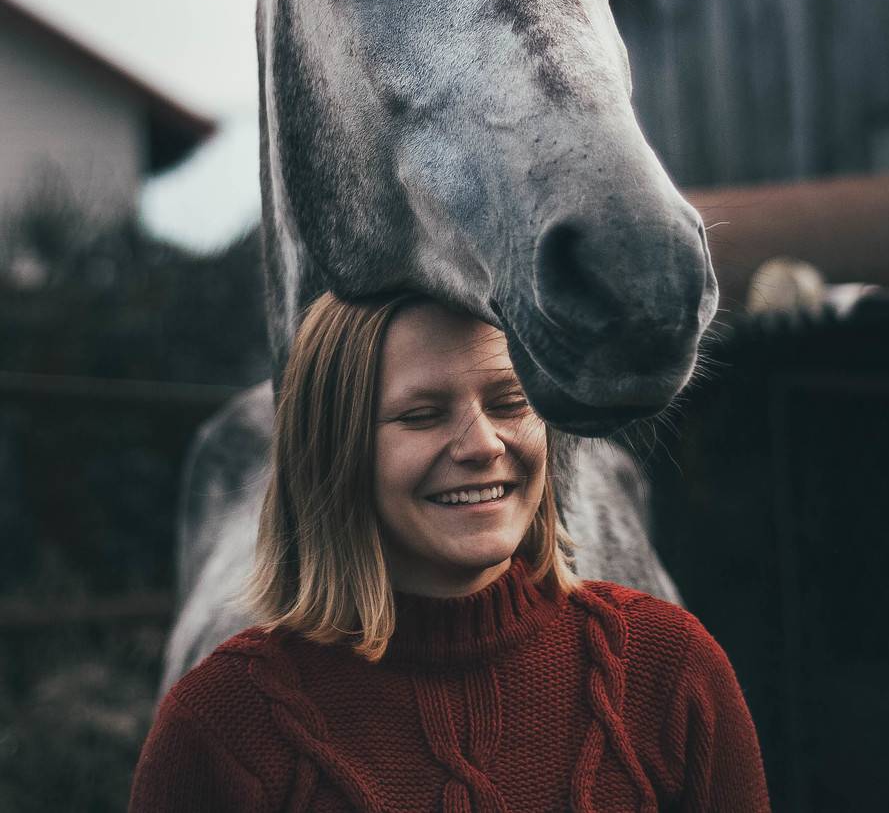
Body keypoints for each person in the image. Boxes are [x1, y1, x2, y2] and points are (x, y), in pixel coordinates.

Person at [130, 293, 771, 811]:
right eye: (422, 415)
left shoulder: (671, 667)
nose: (483, 444)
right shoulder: (219, 725)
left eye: (511, 402)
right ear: (333, 449)